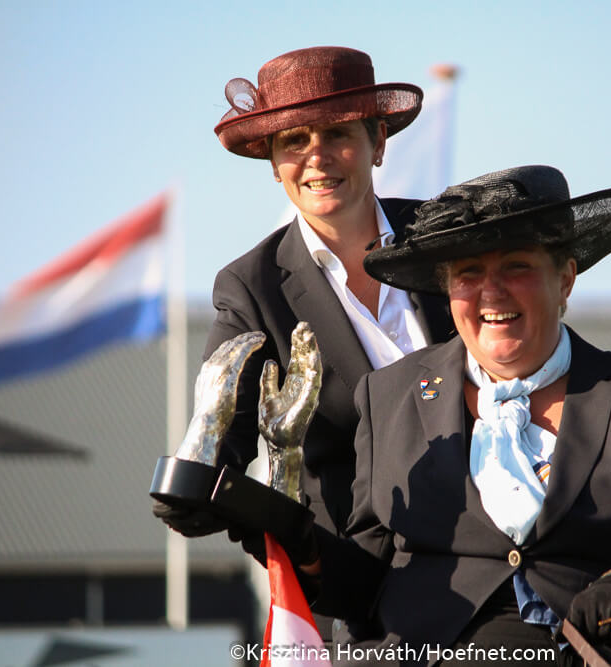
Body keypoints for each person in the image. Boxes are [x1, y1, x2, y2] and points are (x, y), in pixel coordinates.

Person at [296, 166, 611, 665]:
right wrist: (300, 544)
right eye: (468, 273)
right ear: (448, 290)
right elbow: (364, 582)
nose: (492, 292)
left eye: (516, 266)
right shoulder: (388, 397)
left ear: (565, 279)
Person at [153, 46, 454, 638]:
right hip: (363, 601)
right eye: (294, 140)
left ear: (379, 141)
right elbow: (217, 453)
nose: (317, 156)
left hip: (493, 575)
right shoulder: (253, 287)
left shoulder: (449, 239)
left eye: (338, 132)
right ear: (273, 162)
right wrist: (202, 469)